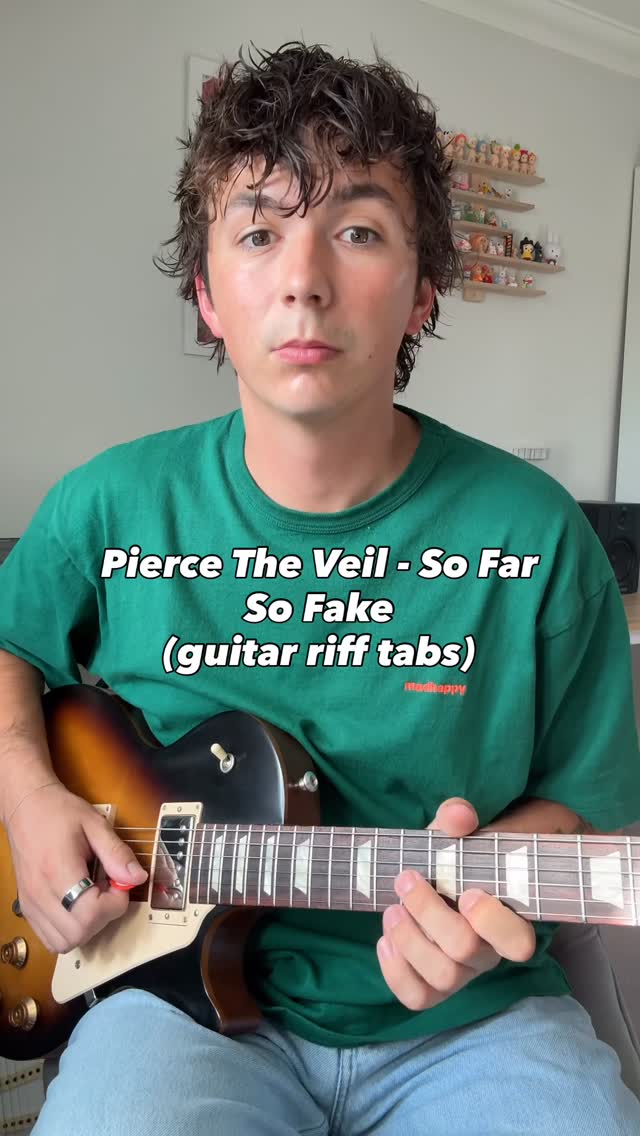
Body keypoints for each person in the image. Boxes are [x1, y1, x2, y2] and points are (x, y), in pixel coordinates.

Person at [1, 39, 639, 1135]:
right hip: (172, 1010)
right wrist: (27, 793)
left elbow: (578, 804)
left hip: (471, 1021)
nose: (303, 279)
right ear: (207, 294)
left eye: (358, 230)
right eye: (258, 231)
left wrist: (475, 909)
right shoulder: (107, 503)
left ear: (423, 293)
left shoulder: (535, 535)